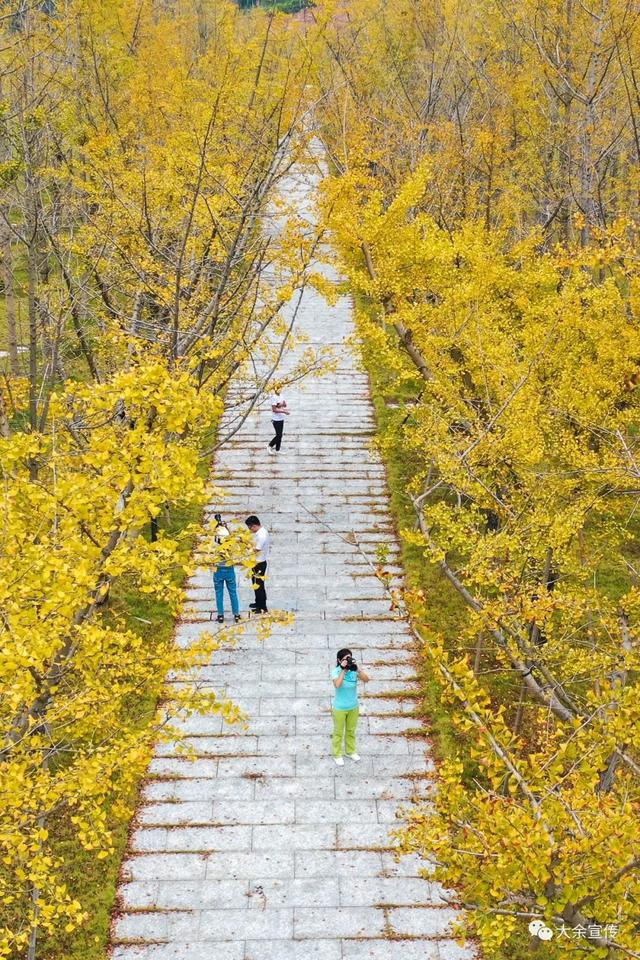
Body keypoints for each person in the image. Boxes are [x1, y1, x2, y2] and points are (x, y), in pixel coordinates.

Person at [331, 648, 369, 765]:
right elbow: (337, 685)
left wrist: (357, 669)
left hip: (353, 706)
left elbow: (367, 680)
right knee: (338, 732)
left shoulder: (353, 671)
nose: (347, 661)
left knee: (351, 731)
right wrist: (343, 670)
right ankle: (337, 754)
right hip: (339, 708)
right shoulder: (336, 671)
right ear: (339, 660)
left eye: (349, 658)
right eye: (344, 659)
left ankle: (350, 751)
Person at [212, 515, 241, 624]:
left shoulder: (215, 545)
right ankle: (236, 614)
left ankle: (220, 615)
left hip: (218, 570)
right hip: (229, 570)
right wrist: (226, 528)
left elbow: (215, 536)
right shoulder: (231, 546)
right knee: (233, 593)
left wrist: (218, 527)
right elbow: (230, 537)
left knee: (219, 593)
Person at [245, 515, 270, 614]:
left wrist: (246, 549)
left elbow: (257, 549)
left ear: (254, 526)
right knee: (256, 584)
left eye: (250, 528)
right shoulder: (261, 532)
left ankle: (262, 606)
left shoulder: (262, 535)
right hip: (257, 561)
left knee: (259, 585)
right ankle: (258, 602)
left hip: (259, 563)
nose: (250, 530)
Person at [268, 383, 289, 454]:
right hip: (275, 419)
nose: (280, 390)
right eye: (278, 388)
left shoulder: (281, 396)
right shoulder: (273, 397)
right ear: (275, 389)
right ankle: (269, 446)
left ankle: (277, 449)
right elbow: (274, 409)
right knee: (279, 435)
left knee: (280, 435)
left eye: (281, 388)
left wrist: (281, 405)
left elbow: (284, 404)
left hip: (281, 418)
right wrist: (284, 411)